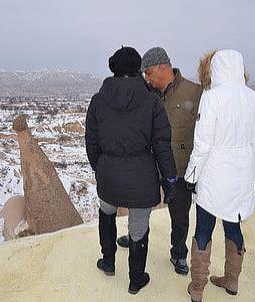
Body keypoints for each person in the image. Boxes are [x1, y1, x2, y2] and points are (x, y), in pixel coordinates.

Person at [85, 46, 178, 295]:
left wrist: (100, 168)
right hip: (141, 176)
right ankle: (136, 279)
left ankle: (108, 262)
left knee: (107, 214)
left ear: (113, 69)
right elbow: (162, 145)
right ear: (138, 70)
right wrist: (169, 178)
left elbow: (91, 143)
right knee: (138, 227)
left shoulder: (98, 100)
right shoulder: (151, 102)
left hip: (109, 175)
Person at [184, 49, 255, 302]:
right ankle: (232, 280)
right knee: (234, 225)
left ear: (215, 69)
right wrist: (254, 175)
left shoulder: (211, 98)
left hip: (213, 176)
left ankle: (197, 288)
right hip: (241, 177)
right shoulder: (254, 99)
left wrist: (191, 175)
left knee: (203, 230)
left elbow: (203, 144)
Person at [117, 47, 203, 276]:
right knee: (138, 205)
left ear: (163, 68)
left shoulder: (194, 93)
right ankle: (135, 237)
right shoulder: (146, 93)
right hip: (148, 165)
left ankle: (178, 253)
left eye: (148, 73)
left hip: (180, 167)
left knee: (180, 215)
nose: (146, 78)